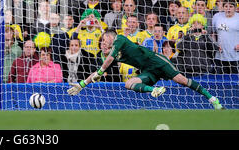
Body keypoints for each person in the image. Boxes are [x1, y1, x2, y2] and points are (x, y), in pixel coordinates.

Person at [67, 29, 225, 110]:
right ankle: (154, 89)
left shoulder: (119, 39)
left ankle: (213, 99)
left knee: (181, 80)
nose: (103, 43)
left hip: (157, 61)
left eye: (104, 40)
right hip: (147, 70)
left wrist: (100, 71)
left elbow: (106, 63)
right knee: (128, 84)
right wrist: (82, 84)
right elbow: (98, 72)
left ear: (110, 37)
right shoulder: (108, 55)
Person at [211, 0, 239, 74]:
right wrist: (215, 45)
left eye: (231, 6)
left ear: (235, 8)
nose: (228, 9)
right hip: (220, 56)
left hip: (236, 56)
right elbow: (213, 33)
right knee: (220, 81)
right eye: (226, 6)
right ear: (223, 7)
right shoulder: (217, 16)